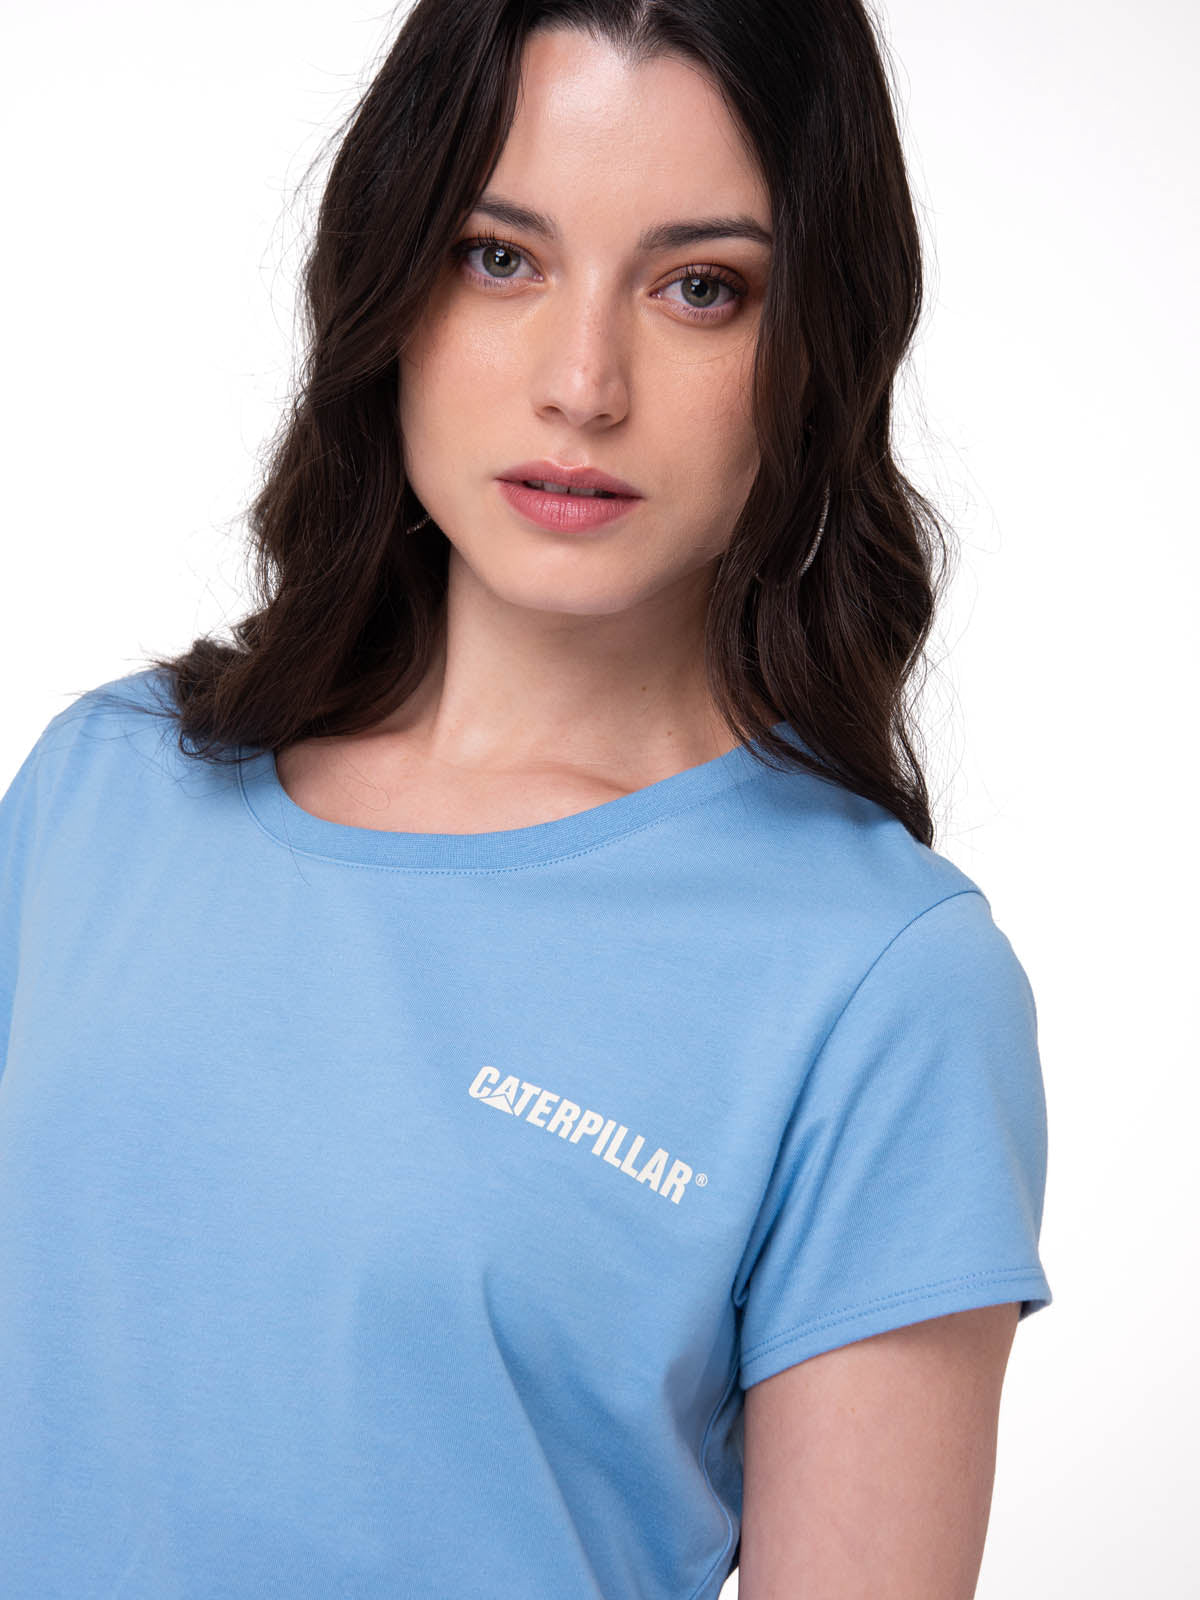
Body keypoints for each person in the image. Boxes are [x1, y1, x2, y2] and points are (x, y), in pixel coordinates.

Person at [0, 1, 1052, 1595]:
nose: (584, 383)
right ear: (388, 279)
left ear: (819, 348)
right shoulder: (102, 792)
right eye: (502, 256)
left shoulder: (881, 982)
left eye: (702, 289)